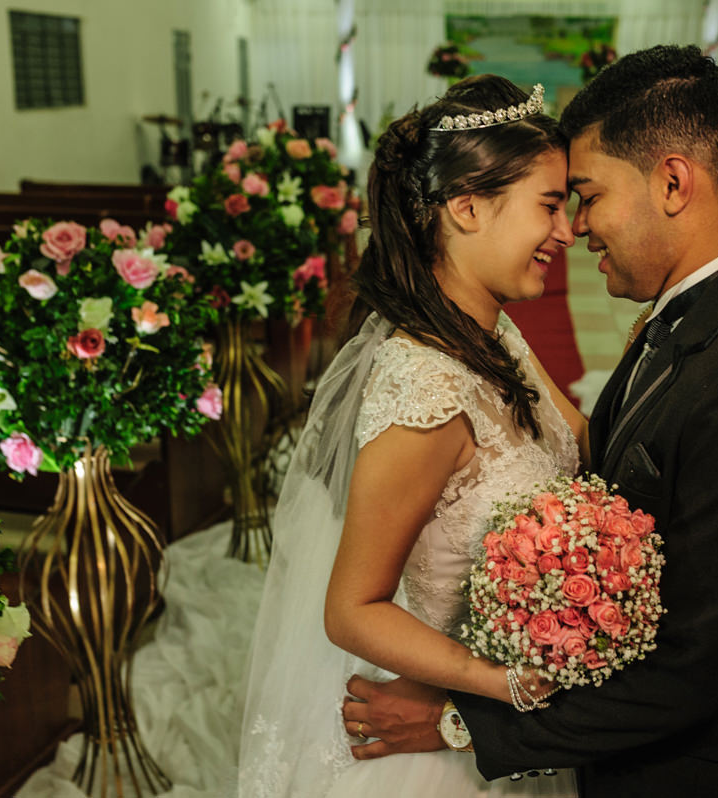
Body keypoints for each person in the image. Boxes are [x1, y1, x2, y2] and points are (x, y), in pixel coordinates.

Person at [342, 44, 718, 795]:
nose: (578, 228)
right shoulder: (688, 320)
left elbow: (693, 668)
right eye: (557, 203)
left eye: (585, 195)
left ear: (673, 182)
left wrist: (460, 719)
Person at [234, 75, 588, 797]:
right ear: (465, 207)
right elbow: (352, 607)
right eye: (550, 205)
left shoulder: (495, 332)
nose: (567, 230)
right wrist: (493, 686)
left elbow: (578, 436)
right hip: (435, 746)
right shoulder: (423, 390)